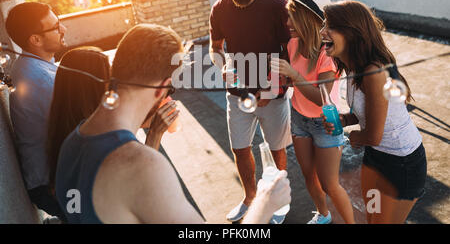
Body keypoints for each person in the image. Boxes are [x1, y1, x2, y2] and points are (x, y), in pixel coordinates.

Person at [55, 23, 291, 224]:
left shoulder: (73, 140)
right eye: (171, 88)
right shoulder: (143, 166)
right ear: (161, 88)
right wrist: (264, 205)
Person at [320, 0, 427, 224]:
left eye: (330, 25)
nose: (322, 32)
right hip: (376, 157)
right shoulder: (352, 66)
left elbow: (372, 136)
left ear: (352, 32)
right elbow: (364, 114)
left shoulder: (373, 72)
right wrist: (345, 119)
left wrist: (350, 137)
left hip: (403, 163)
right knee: (372, 218)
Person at [209, 0, 292, 223]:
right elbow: (215, 47)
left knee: (277, 149)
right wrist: (222, 66)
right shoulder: (219, 9)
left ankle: (278, 204)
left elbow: (289, 51)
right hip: (238, 93)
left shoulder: (277, 5)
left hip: (273, 94)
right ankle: (250, 198)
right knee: (240, 148)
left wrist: (272, 88)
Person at [271, 0, 355, 224]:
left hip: (325, 123)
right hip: (299, 118)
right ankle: (324, 215)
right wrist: (284, 80)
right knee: (309, 175)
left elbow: (323, 98)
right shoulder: (292, 44)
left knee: (330, 184)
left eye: (292, 16)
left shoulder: (328, 52)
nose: (287, 22)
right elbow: (293, 82)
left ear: (308, 19)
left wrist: (294, 77)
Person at [47, 46, 179, 191]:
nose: (115, 82)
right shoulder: (98, 142)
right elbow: (139, 185)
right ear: (92, 87)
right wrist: (155, 134)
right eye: (109, 76)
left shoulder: (67, 126)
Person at [5, 2, 67, 220]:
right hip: (50, 186)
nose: (63, 29)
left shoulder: (36, 66)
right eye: (56, 26)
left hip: (51, 181)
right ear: (36, 40)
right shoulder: (39, 78)